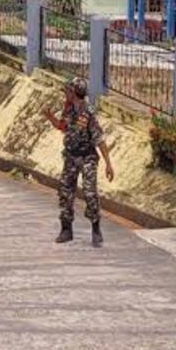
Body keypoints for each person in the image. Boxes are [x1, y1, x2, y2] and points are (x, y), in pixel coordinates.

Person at [43, 77, 115, 248]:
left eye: (68, 91)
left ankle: (96, 228)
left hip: (87, 156)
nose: (65, 94)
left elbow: (99, 139)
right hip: (70, 156)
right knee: (65, 191)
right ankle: (66, 229)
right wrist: (49, 117)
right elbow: (62, 127)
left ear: (74, 93)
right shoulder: (68, 109)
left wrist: (108, 163)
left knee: (90, 193)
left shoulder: (88, 112)